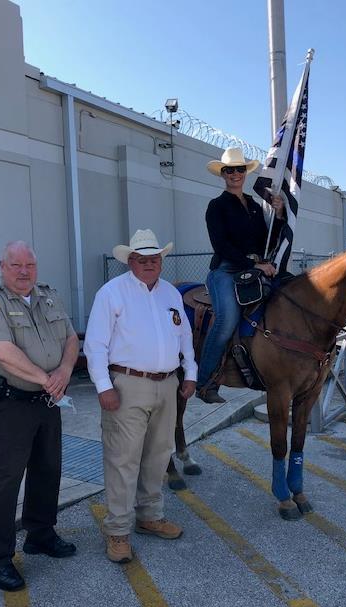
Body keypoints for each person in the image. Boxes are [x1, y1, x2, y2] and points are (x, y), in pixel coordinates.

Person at [0, 241, 79, 592]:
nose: (23, 272)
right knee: (4, 481)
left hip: (48, 401)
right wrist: (46, 379)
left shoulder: (49, 296)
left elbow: (71, 339)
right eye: (15, 265)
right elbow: (1, 351)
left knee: (48, 470)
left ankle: (41, 534)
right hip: (10, 404)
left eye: (29, 265)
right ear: (3, 266)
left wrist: (64, 370)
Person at [84, 229, 197, 564]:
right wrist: (104, 386)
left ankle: (150, 516)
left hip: (167, 384)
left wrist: (189, 374)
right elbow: (95, 345)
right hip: (126, 385)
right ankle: (118, 531)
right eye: (142, 259)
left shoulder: (171, 295)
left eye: (155, 259)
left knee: (159, 454)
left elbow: (185, 337)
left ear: (161, 261)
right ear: (130, 261)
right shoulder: (111, 293)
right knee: (123, 458)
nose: (149, 264)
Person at [196, 147, 286, 403]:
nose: (235, 174)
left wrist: (278, 214)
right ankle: (205, 382)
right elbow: (221, 245)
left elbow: (266, 241)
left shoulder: (256, 206)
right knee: (227, 319)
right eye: (229, 170)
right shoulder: (216, 206)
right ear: (223, 174)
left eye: (239, 169)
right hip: (225, 270)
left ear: (245, 173)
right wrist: (253, 265)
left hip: (252, 269)